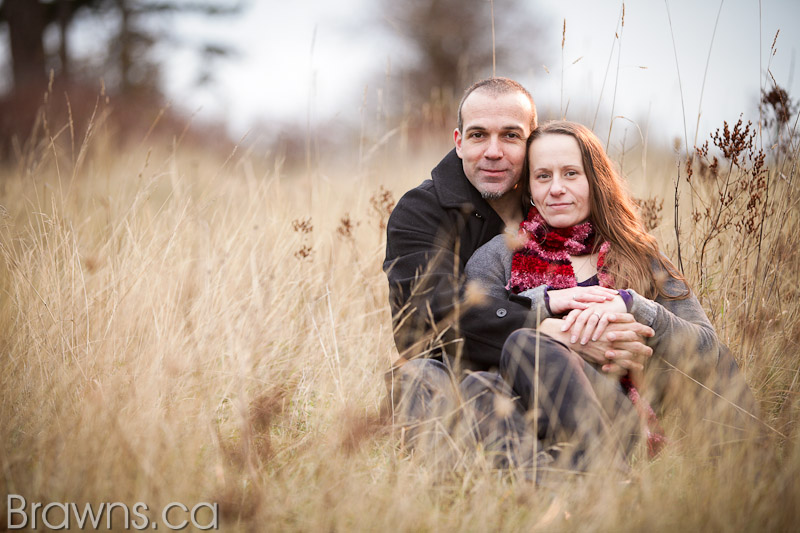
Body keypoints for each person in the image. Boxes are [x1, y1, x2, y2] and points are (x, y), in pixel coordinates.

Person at [382, 80, 653, 472]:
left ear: (531, 144)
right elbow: (423, 321)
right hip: (464, 381)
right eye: (478, 136)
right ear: (459, 141)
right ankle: (482, 490)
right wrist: (544, 325)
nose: (493, 152)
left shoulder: (559, 198)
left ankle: (587, 474)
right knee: (417, 375)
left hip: (555, 384)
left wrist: (620, 340)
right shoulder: (421, 212)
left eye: (510, 136)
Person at [465, 120, 759, 469]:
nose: (556, 188)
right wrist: (553, 325)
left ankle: (749, 470)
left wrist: (634, 309)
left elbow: (710, 352)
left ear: (595, 180)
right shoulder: (498, 255)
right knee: (511, 359)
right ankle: (578, 481)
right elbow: (471, 330)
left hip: (622, 416)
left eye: (571, 173)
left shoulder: (640, 256)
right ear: (529, 186)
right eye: (543, 176)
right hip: (532, 417)